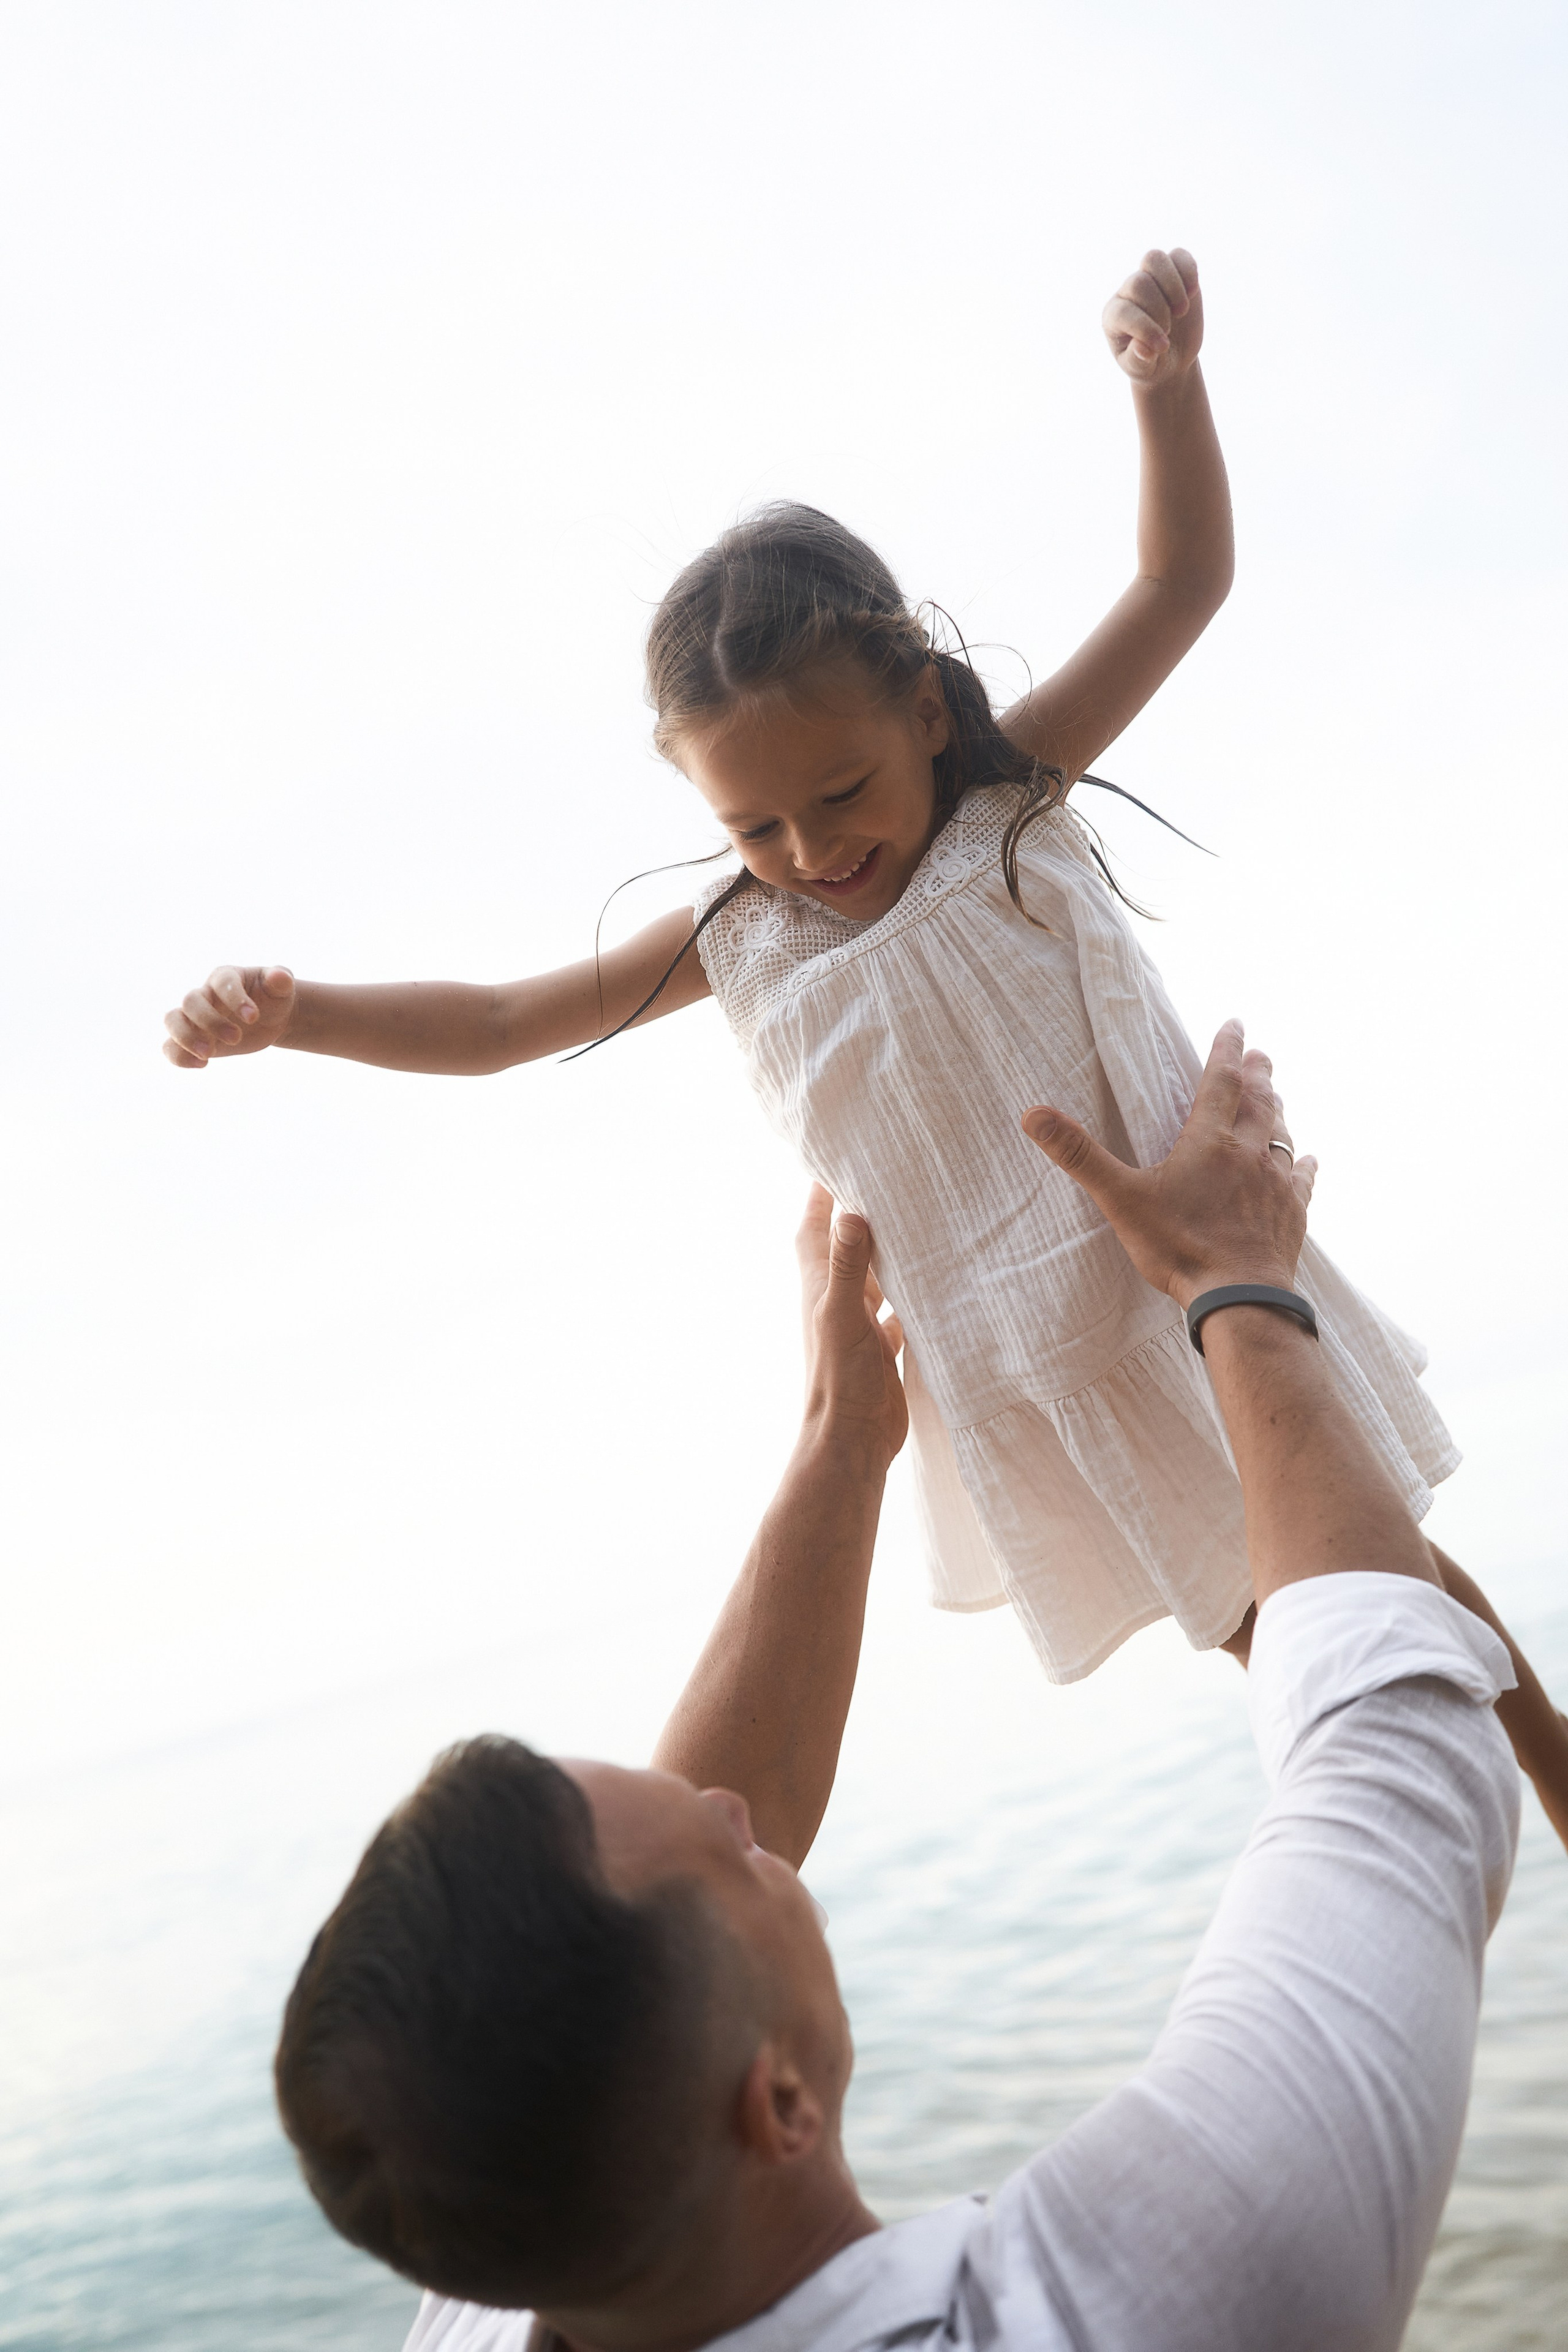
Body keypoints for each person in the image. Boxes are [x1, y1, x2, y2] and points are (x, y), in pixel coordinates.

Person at [162, 248, 1568, 1822]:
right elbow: (501, 1022)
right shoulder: (739, 943)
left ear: (918, 702)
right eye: (752, 823)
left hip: (1195, 1258)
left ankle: (1557, 1780)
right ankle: (1413, 1844)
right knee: (1280, 1633)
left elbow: (1180, 585)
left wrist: (1162, 394)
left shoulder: (1002, 801)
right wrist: (298, 1020)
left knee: (1385, 1565)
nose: (809, 850)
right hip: (1035, 1346)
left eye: (837, 795)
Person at [279, 1024, 1538, 2349]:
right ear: (776, 2107)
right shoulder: (1129, 2308)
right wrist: (1233, 1284)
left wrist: (843, 1444)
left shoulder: (498, 2225)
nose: (734, 1812)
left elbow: (661, 1899)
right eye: (732, 1856)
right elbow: (1395, 1753)